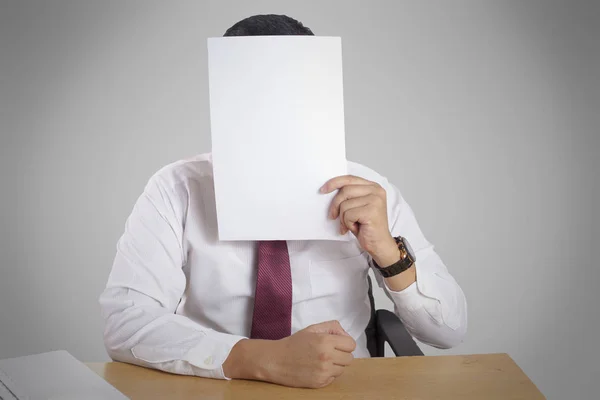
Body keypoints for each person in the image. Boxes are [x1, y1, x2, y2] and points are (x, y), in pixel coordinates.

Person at [99, 14, 467, 389]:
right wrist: (259, 359)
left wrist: (388, 252)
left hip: (342, 386)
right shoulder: (175, 188)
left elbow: (449, 330)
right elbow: (126, 321)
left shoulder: (367, 190)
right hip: (217, 384)